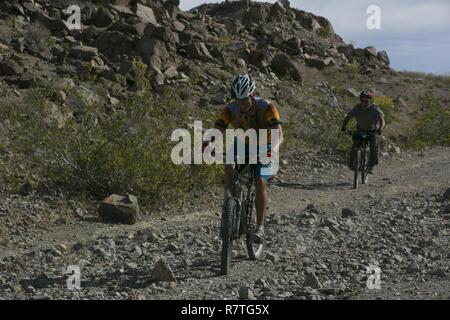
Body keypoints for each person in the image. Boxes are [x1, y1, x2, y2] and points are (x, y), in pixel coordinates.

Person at [203, 74, 283, 243]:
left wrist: (271, 152)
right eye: (238, 101)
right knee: (229, 166)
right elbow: (217, 130)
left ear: (252, 95)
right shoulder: (229, 110)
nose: (242, 104)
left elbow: (278, 135)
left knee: (259, 180)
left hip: (265, 144)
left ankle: (260, 227)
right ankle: (234, 206)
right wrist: (207, 145)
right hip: (242, 144)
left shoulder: (268, 107)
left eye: (245, 100)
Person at [341, 90, 385, 174]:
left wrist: (380, 129)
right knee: (354, 146)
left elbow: (382, 120)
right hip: (360, 131)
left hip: (372, 132)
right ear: (360, 101)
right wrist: (343, 127)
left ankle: (371, 166)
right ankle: (352, 163)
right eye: (362, 101)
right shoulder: (357, 108)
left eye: (367, 101)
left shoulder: (375, 109)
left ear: (370, 101)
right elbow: (348, 117)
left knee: (374, 147)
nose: (364, 103)